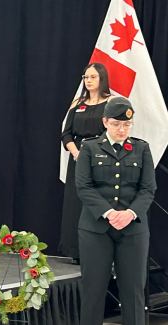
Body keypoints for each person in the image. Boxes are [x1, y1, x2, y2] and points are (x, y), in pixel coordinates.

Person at [75, 97, 156, 325]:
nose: (122, 129)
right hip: (95, 229)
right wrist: (110, 213)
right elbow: (83, 187)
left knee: (133, 293)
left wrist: (129, 213)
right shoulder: (89, 147)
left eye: (127, 125)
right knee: (93, 292)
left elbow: (148, 188)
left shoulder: (142, 148)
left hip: (133, 229)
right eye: (116, 124)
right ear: (105, 122)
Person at [59, 63, 114, 264]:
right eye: (85, 77)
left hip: (102, 158)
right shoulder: (78, 103)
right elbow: (66, 133)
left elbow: (114, 132)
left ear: (102, 79)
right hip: (78, 158)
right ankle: (76, 250)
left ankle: (99, 249)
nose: (88, 81)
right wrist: (75, 151)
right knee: (76, 203)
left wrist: (94, 151)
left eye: (92, 77)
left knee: (97, 201)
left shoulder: (112, 102)